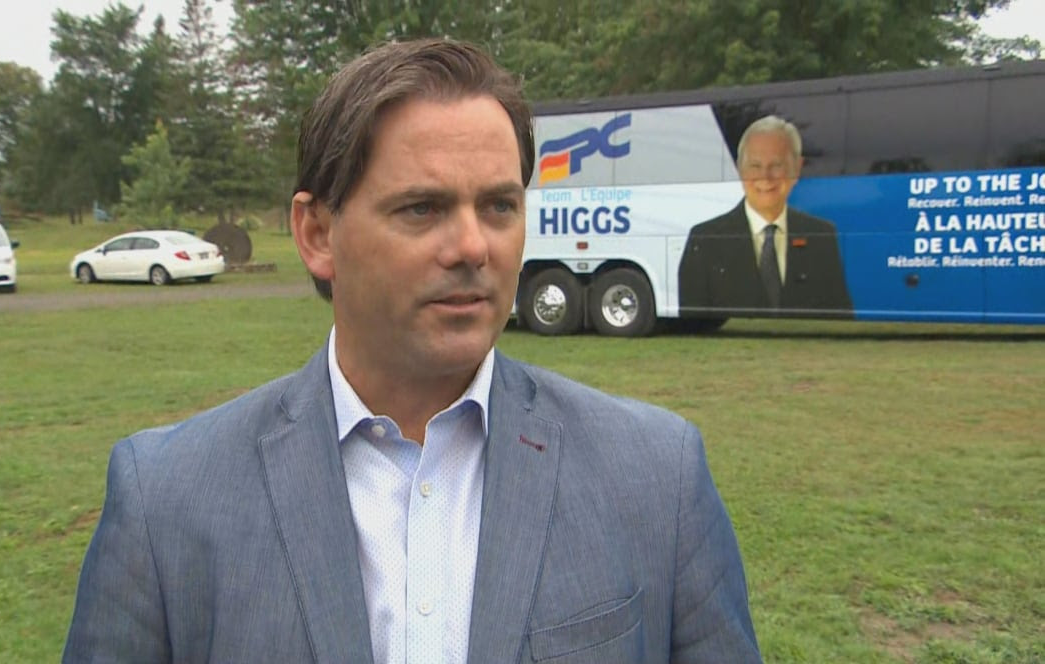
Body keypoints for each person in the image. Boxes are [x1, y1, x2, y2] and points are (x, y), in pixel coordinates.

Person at [63, 39, 761, 664]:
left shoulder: (656, 476)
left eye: (498, 206)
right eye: (422, 208)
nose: (471, 248)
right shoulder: (167, 500)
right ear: (316, 233)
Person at [678, 115, 853, 317]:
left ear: (796, 168)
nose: (765, 177)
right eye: (755, 166)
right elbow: (693, 318)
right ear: (740, 169)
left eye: (776, 166)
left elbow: (839, 315)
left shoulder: (821, 235)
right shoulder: (705, 239)